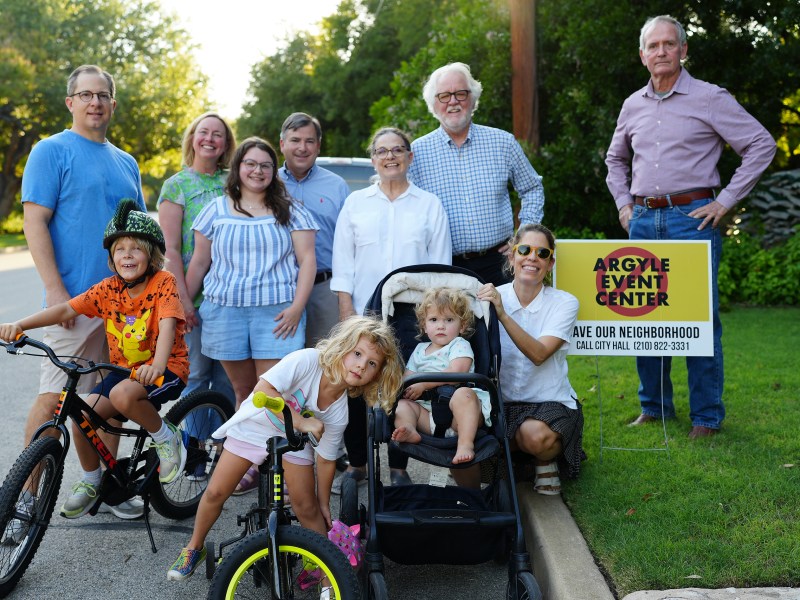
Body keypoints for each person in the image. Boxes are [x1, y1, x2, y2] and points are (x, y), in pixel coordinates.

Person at [605, 15, 777, 439]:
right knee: (644, 320)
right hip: (643, 220)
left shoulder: (710, 97)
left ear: (683, 50)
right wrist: (625, 205)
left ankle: (706, 417)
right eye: (653, 45)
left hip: (691, 219)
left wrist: (725, 200)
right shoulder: (632, 104)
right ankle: (655, 407)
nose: (661, 51)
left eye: (669, 44)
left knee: (698, 321)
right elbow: (615, 160)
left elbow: (761, 144)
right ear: (642, 55)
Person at [166, 316, 404, 581]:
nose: (361, 365)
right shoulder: (308, 360)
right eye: (357, 354)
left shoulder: (339, 413)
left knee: (306, 506)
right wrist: (302, 421)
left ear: (377, 374)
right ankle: (194, 547)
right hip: (256, 425)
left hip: (293, 441)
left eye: (372, 363)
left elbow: (325, 460)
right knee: (216, 492)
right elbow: (264, 388)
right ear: (343, 346)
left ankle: (326, 572)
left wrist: (323, 503)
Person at [0, 201, 190, 518]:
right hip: (125, 371)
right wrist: (20, 324)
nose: (127, 255)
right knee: (82, 412)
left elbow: (168, 322)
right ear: (111, 258)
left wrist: (157, 363)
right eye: (120, 249)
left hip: (165, 369)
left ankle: (166, 437)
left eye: (136, 249)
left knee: (121, 394)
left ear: (152, 255)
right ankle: (91, 481)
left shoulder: (163, 283)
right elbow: (64, 310)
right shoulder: (107, 289)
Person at [19, 64, 147, 520]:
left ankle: (104, 483)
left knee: (107, 398)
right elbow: (34, 221)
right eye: (86, 94)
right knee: (55, 399)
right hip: (72, 303)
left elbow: (139, 237)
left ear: (113, 103)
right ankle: (23, 504)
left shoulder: (126, 161)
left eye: (103, 95)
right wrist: (56, 293)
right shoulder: (51, 150)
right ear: (70, 102)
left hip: (123, 307)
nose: (95, 102)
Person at [185, 136, 318, 494]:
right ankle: (252, 462)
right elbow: (199, 262)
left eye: (265, 165)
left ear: (274, 172)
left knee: (278, 393)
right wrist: (184, 301)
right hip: (225, 313)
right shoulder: (216, 210)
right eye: (250, 163)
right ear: (238, 168)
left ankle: (288, 466)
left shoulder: (290, 210)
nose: (257, 170)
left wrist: (296, 307)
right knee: (244, 391)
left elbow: (307, 261)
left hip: (277, 315)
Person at [331, 126, 451, 487]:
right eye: (382, 151)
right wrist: (347, 315)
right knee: (354, 387)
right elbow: (343, 265)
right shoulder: (356, 204)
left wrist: (433, 322)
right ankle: (358, 465)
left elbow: (440, 268)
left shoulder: (429, 205)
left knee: (402, 388)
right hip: (364, 313)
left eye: (397, 150)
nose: (389, 157)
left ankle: (399, 469)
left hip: (412, 314)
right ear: (373, 159)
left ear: (409, 157)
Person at [408, 62, 545, 287]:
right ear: (433, 104)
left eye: (461, 93)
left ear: (472, 99)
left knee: (502, 323)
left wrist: (524, 236)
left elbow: (532, 188)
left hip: (499, 263)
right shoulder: (417, 153)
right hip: (445, 267)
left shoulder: (502, 142)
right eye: (444, 96)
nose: (453, 101)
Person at [477, 224, 584, 496]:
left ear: (550, 264)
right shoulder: (486, 297)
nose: (532, 257)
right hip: (501, 402)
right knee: (468, 443)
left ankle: (544, 459)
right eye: (524, 250)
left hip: (548, 401)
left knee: (534, 437)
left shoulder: (564, 302)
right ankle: (512, 462)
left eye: (542, 253)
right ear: (511, 257)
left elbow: (538, 355)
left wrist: (502, 313)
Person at [158, 112, 236, 408]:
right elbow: (171, 250)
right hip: (193, 297)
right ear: (192, 138)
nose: (210, 139)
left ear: (226, 143)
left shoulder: (234, 181)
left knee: (228, 377)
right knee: (197, 374)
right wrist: (183, 302)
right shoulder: (176, 186)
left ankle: (223, 446)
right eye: (204, 132)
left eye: (218, 134)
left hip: (230, 297)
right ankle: (195, 447)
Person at [391, 288, 492, 473]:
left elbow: (457, 371)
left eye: (449, 320)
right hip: (427, 416)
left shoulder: (459, 344)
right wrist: (405, 387)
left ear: (462, 326)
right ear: (424, 325)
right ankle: (409, 428)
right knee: (402, 406)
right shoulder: (420, 349)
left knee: (465, 395)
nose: (441, 326)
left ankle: (465, 444)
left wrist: (424, 384)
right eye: (434, 320)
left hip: (459, 417)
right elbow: (408, 376)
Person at [278, 112, 350, 347]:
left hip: (324, 289)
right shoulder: (266, 182)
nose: (302, 147)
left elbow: (349, 243)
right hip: (279, 289)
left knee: (325, 357)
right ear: (282, 144)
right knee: (280, 361)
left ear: (318, 146)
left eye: (309, 141)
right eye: (295, 140)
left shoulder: (337, 186)